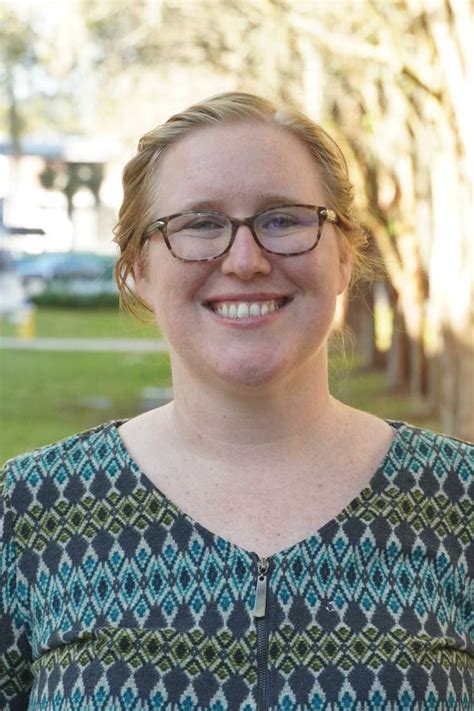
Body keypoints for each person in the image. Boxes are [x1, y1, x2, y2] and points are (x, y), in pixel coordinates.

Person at [1, 92, 472, 710]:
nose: (245, 261)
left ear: (342, 256)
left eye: (283, 219)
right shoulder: (29, 513)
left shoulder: (458, 504)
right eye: (199, 224)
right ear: (139, 267)